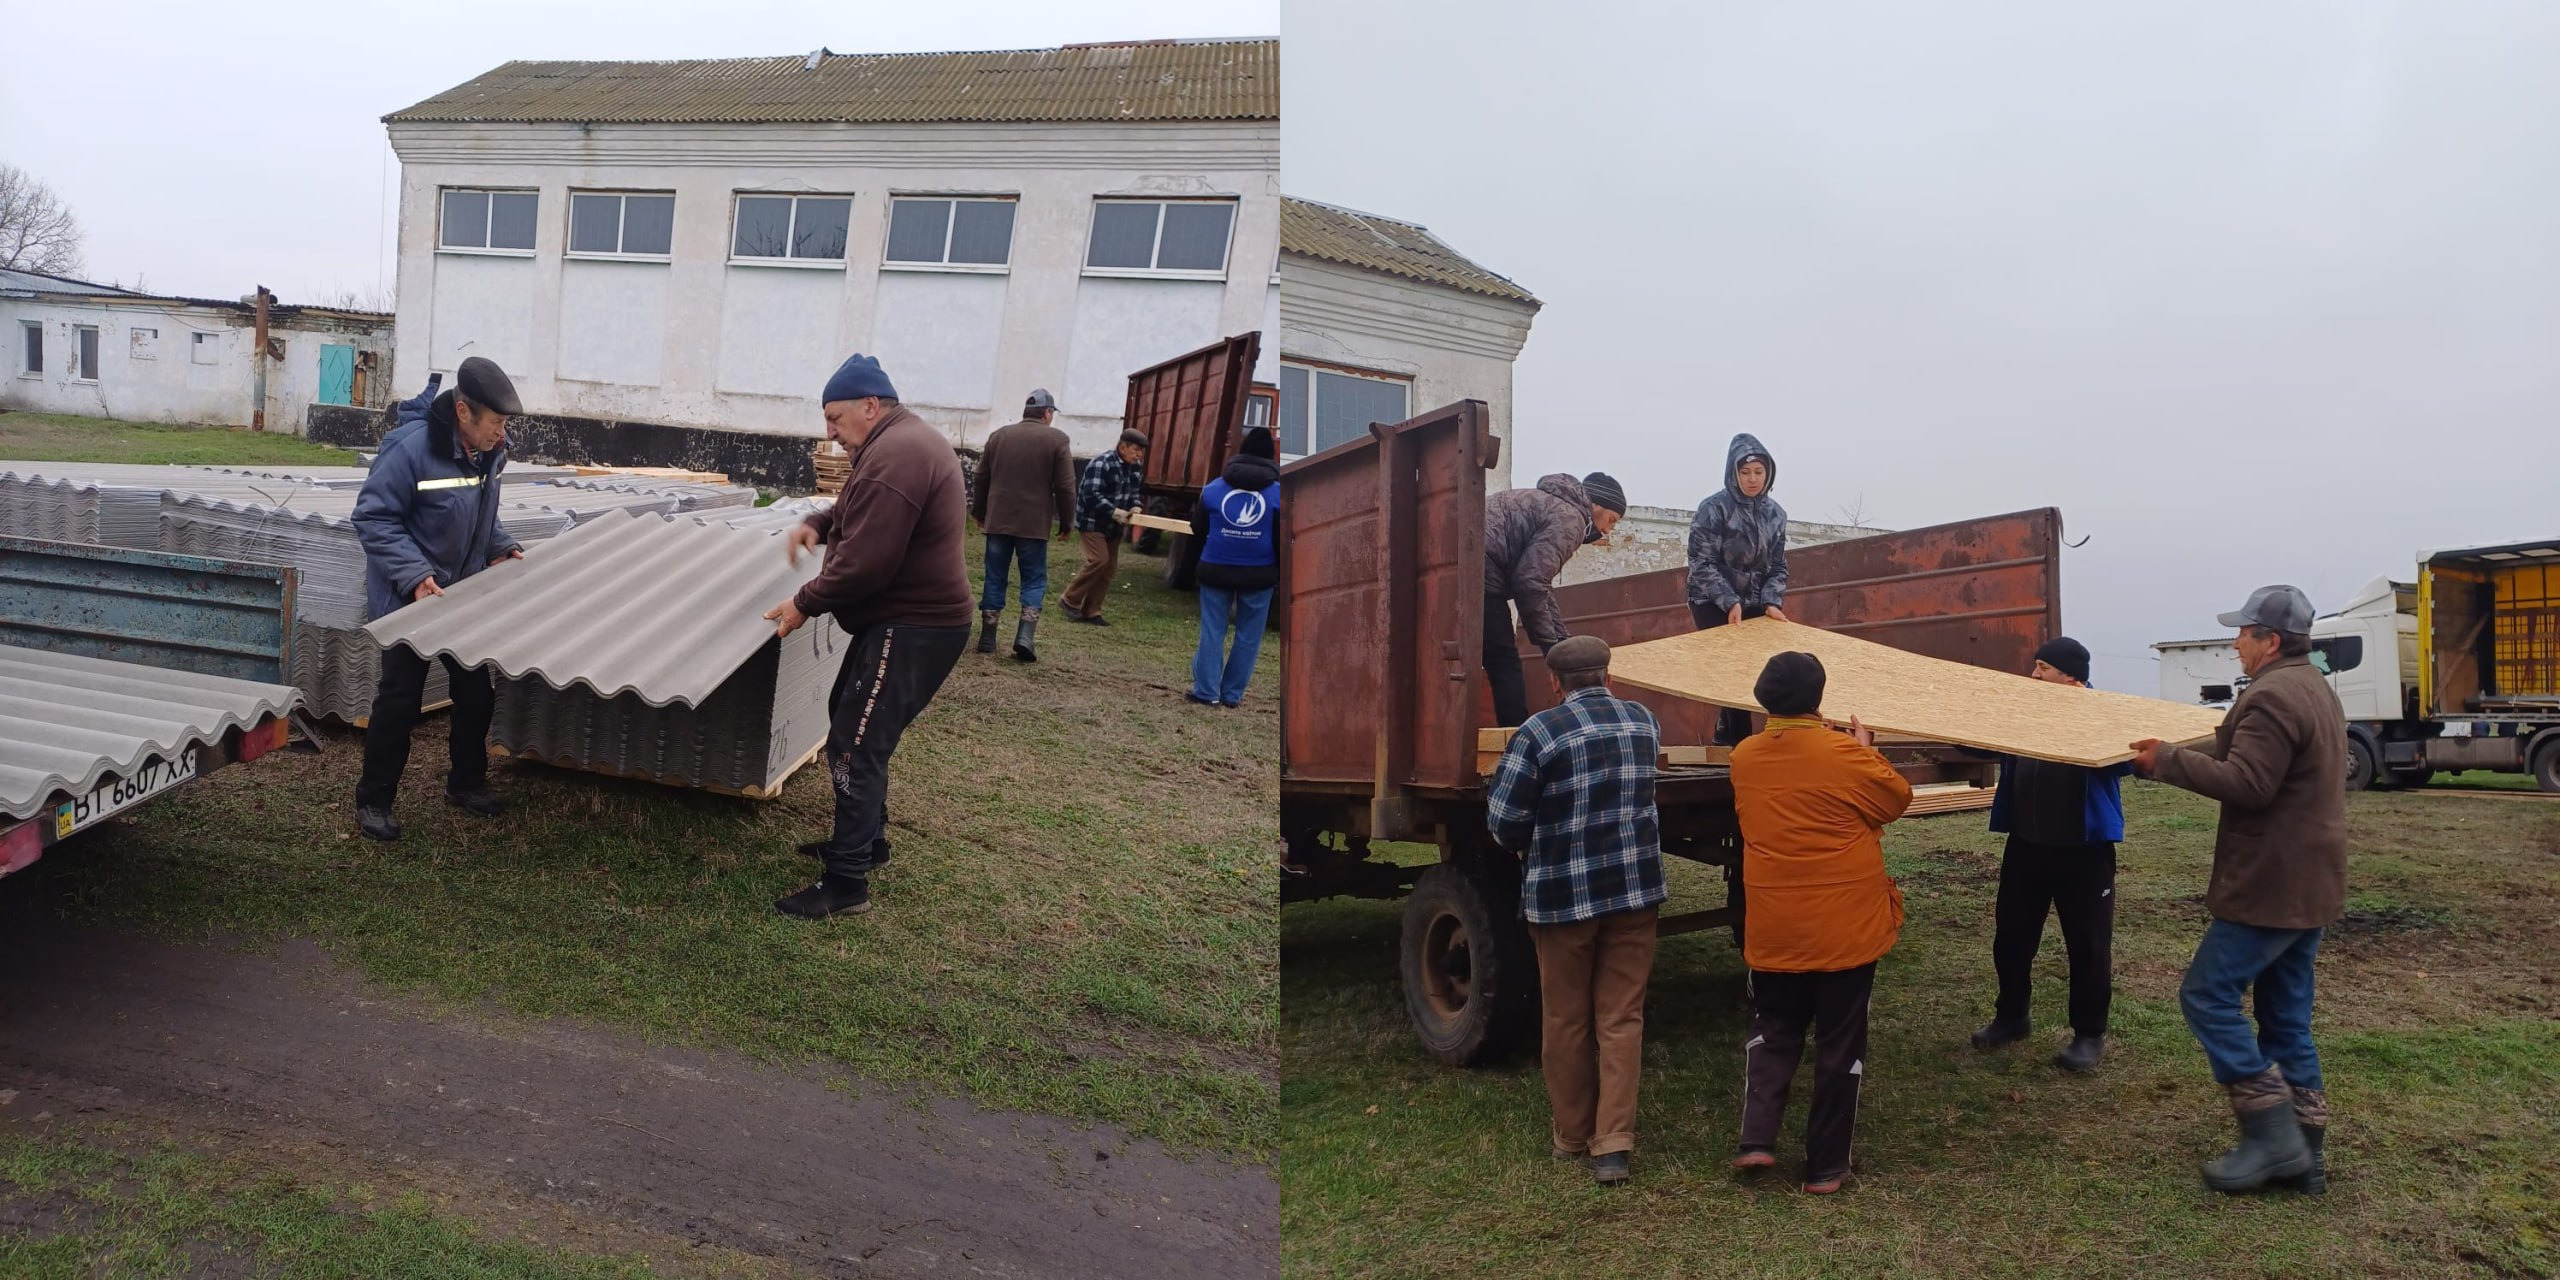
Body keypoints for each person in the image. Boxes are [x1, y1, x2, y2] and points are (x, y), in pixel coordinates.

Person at [2131, 584, 2347, 1195]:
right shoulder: (2312, 687)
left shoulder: (2274, 695)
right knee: (2285, 1017)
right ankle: (2307, 1157)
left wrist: (2168, 762)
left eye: (2243, 634)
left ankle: (2273, 1137)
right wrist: (2163, 750)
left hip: (2272, 886)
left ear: (2270, 641)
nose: (2235, 643)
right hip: (2310, 884)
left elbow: (2249, 782)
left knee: (2207, 997)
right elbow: (2234, 747)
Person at [764, 354, 975, 921]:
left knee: (855, 744)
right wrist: (819, 522)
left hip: (916, 624)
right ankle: (868, 842)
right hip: (904, 619)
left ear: (870, 406)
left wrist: (802, 603)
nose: (829, 432)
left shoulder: (896, 455)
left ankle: (847, 881)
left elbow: (866, 565)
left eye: (835, 419)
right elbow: (859, 503)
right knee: (849, 718)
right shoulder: (893, 445)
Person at [1484, 635, 1666, 1187]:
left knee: (1565, 1019)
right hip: (1635, 893)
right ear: (1609, 677)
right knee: (1621, 1017)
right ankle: (1613, 1145)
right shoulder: (1644, 722)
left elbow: (1505, 823)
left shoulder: (1539, 731)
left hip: (1562, 899)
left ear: (1554, 682)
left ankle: (1571, 1134)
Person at [1728, 651, 1911, 1195]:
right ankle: (1826, 1167)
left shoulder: (1744, 756)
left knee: (1772, 1029)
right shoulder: (1841, 754)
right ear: (1819, 698)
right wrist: (1863, 751)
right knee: (1839, 1044)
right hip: (1843, 930)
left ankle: (1756, 1140)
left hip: (1775, 925)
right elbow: (1895, 800)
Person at [350, 356, 525, 843]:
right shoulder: (410, 450)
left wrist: (500, 545)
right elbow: (373, 519)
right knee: (400, 701)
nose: (502, 434)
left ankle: (465, 783)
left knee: (474, 694)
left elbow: (479, 513)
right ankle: (374, 800)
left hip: (459, 595)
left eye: (506, 424)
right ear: (464, 413)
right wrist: (415, 576)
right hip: (412, 598)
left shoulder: (487, 452)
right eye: (496, 423)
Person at [1964, 637, 2133, 1073]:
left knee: (2089, 946)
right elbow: (1981, 743)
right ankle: (2012, 1016)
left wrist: (2085, 724)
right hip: (2026, 847)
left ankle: (2089, 1034)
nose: (2034, 675)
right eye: (2035, 666)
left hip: (2085, 853)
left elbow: (2127, 760)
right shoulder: (2024, 713)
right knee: (2013, 938)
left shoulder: (2101, 714)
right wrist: (1950, 720)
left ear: (2070, 676)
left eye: (2043, 668)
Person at [1482, 472, 1627, 727]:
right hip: (1481, 572)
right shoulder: (1571, 519)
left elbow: (1541, 586)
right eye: (1610, 520)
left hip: (1466, 563)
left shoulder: (1553, 505)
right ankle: (1515, 738)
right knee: (1504, 661)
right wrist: (1551, 647)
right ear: (1595, 505)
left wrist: (1561, 640)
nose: (1605, 531)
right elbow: (1530, 581)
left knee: (1493, 658)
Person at [1687, 433, 1791, 745]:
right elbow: (1700, 561)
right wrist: (1729, 601)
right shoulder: (1713, 508)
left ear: (1768, 473)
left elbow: (1778, 566)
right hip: (1710, 597)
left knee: (1756, 668)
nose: (1752, 479)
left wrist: (1772, 601)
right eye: (1745, 472)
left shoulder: (1777, 515)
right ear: (1733, 473)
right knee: (1732, 668)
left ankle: (1729, 729)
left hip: (1756, 599)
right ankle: (1739, 743)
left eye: (1758, 472)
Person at [971, 388, 1076, 662]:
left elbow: (981, 476)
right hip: (1033, 525)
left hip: (998, 521)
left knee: (995, 576)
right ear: (1047, 413)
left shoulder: (998, 437)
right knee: (1034, 578)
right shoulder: (1057, 440)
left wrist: (979, 510)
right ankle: (1025, 637)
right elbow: (1065, 487)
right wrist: (1067, 522)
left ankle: (987, 637)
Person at [1186, 426, 1281, 707]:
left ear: (1241, 452)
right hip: (1260, 574)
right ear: (1271, 456)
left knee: (1212, 630)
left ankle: (1206, 691)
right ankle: (1231, 695)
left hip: (1215, 568)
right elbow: (1281, 538)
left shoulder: (1214, 488)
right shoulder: (1279, 494)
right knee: (1249, 636)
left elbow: (1197, 527)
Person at [1061, 430, 1147, 625]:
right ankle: (1070, 600)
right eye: (1136, 450)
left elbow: (1134, 490)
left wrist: (1135, 506)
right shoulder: (1103, 463)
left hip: (1114, 526)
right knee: (1099, 560)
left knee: (1108, 568)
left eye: (1142, 452)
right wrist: (1115, 512)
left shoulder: (1134, 467)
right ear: (1122, 447)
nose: (1139, 455)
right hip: (1092, 522)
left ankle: (1092, 611)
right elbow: (1091, 495)